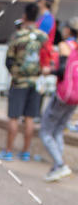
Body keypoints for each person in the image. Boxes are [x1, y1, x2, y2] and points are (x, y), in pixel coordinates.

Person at [0, 2, 48, 162]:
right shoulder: (43, 36)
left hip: (19, 82)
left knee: (13, 117)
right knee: (30, 118)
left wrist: (15, 73)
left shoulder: (17, 36)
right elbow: (47, 58)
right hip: (36, 82)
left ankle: (8, 150)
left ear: (25, 16)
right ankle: (25, 152)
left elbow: (9, 60)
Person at [39, 16, 78, 181]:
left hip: (63, 94)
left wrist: (48, 71)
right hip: (75, 96)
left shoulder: (65, 46)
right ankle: (57, 166)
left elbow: (62, 70)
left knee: (46, 132)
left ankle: (60, 165)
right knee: (58, 131)